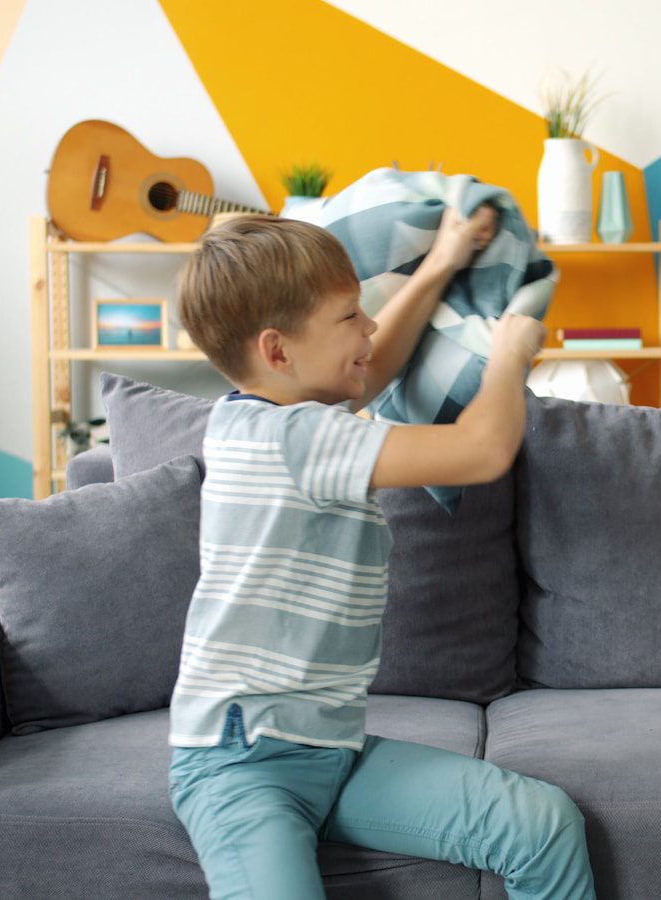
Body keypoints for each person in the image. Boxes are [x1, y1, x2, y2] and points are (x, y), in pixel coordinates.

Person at [167, 212, 596, 900]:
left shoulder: (265, 417)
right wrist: (509, 353)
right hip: (241, 765)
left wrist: (440, 263)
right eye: (348, 318)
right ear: (278, 351)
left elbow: (372, 370)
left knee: (540, 824)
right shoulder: (295, 440)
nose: (367, 328)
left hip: (332, 751)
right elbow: (480, 451)